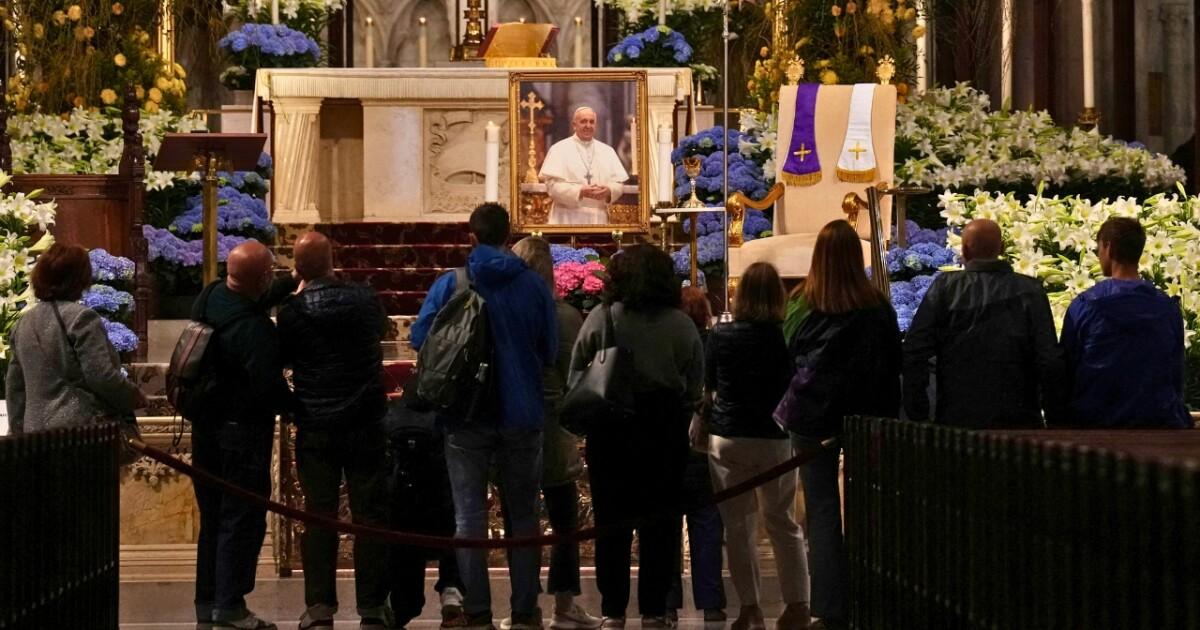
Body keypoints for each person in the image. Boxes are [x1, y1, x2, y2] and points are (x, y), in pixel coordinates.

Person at [412, 203, 557, 630]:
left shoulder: (450, 284)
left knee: (468, 516)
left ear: (470, 237)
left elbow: (421, 338)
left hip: (466, 415)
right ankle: (526, 610)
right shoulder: (533, 286)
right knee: (524, 514)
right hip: (522, 411)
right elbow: (549, 351)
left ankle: (477, 611)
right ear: (509, 236)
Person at [775, 220, 901, 630]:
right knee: (870, 508)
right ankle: (874, 599)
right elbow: (892, 361)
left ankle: (830, 608)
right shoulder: (876, 304)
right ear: (857, 258)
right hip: (868, 417)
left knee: (823, 511)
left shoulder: (802, 302)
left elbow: (786, 354)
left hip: (813, 417)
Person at [570, 244, 703, 629]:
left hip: (611, 429)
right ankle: (654, 608)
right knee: (659, 523)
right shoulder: (680, 323)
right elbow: (695, 382)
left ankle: (613, 609)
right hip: (663, 428)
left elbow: (577, 371)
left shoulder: (602, 316)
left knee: (611, 522)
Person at [276, 232, 394, 629]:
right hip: (364, 420)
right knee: (370, 516)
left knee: (319, 515)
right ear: (332, 260)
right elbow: (383, 332)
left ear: (297, 268)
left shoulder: (292, 312)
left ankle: (320, 607)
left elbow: (286, 358)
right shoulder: (363, 298)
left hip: (317, 422)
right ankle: (373, 606)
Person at [190, 240, 297, 630]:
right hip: (241, 434)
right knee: (241, 518)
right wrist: (300, 409)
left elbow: (253, 296)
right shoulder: (254, 330)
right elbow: (267, 385)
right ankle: (230, 606)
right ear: (263, 276)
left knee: (213, 517)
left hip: (205, 428)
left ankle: (207, 600)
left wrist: (289, 282)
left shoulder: (212, 295)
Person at [705, 263, 809, 630]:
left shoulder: (721, 334)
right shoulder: (786, 335)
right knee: (783, 522)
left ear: (741, 294)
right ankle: (797, 604)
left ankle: (749, 608)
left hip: (728, 435)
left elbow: (709, 383)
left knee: (737, 525)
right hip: (774, 436)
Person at [506, 236, 601, 630]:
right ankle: (564, 603)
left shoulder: (505, 313)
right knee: (564, 518)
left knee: (519, 517)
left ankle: (523, 607)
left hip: (514, 421)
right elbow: (576, 373)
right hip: (556, 422)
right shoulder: (564, 316)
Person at [902, 218, 1064, 428]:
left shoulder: (945, 288)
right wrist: (1055, 416)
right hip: (1019, 417)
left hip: (957, 416)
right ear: (1002, 248)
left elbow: (915, 349)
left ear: (965, 250)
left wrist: (918, 411)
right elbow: (1048, 357)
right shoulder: (1030, 290)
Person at [1059, 217, 1190, 428]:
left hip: (1095, 422)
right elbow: (1176, 372)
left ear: (1108, 248)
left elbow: (1066, 369)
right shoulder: (1167, 308)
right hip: (1158, 421)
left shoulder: (1085, 305)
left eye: (1098, 248)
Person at [5, 243, 143, 434]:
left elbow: (15, 388)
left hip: (35, 434)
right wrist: (135, 397)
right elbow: (101, 376)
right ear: (81, 278)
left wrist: (18, 433)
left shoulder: (22, 324)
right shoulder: (81, 318)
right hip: (80, 433)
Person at [669, 286, 726, 624]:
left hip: (671, 439)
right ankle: (712, 600)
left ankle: (667, 600)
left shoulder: (670, 340)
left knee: (668, 523)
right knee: (706, 523)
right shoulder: (712, 343)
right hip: (705, 441)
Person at [539, 106, 630, 225]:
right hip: (566, 217)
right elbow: (552, 187)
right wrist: (580, 191)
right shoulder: (559, 149)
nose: (588, 125)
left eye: (592, 122)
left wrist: (609, 190)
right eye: (583, 121)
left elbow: (618, 184)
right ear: (574, 125)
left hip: (598, 218)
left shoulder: (607, 151)